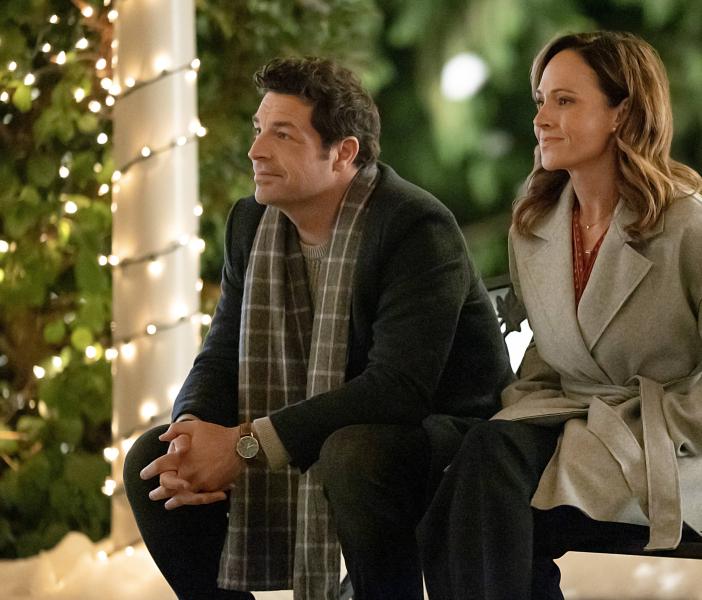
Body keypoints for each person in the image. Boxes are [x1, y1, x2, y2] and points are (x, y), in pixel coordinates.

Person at [417, 31, 702, 600]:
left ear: (622, 113)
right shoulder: (535, 226)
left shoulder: (692, 228)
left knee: (472, 498)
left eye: (565, 101)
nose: (541, 118)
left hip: (662, 456)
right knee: (466, 490)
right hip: (565, 438)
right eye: (541, 100)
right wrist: (524, 408)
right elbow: (553, 346)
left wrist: (669, 426)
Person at [123, 57, 513, 600]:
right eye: (258, 130)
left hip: (442, 435)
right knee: (153, 460)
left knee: (352, 456)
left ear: (344, 153)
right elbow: (221, 355)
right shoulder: (251, 224)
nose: (257, 150)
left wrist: (244, 445)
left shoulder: (413, 227)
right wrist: (191, 431)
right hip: (323, 424)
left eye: (282, 135)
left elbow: (397, 390)